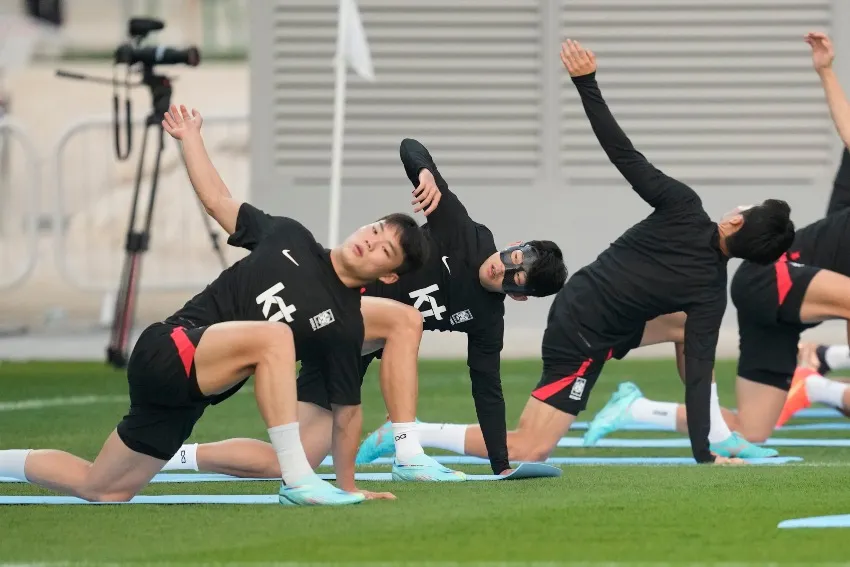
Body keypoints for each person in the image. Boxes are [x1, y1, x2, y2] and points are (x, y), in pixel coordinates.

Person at [356, 39, 795, 467]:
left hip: (610, 319)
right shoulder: (706, 281)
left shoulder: (694, 243)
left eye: (746, 209)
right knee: (530, 449)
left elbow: (622, 153)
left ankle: (716, 435)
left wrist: (587, 82)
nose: (504, 268)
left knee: (690, 332)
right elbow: (696, 377)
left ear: (735, 222)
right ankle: (404, 436)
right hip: (583, 330)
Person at [0, 104, 429, 506]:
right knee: (275, 337)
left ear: (387, 276)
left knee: (103, 488)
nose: (371, 240)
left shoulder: (346, 325)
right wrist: (190, 138)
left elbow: (347, 414)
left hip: (188, 397)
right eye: (375, 229)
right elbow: (219, 201)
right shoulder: (290, 236)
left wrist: (350, 487)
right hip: (169, 348)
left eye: (384, 249)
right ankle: (298, 481)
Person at [161, 137, 568, 480]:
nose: (505, 267)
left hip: (350, 343)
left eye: (517, 278)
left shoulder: (486, 318)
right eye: (515, 257)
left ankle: (170, 457)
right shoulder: (464, 232)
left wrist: (501, 466)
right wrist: (425, 172)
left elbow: (487, 389)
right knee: (405, 320)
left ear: (519, 295)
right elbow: (411, 147)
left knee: (293, 461)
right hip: (336, 305)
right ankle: (407, 450)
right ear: (514, 244)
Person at [583, 32, 850, 444]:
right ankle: (606, 321)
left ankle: (638, 408)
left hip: (771, 300)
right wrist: (826, 70)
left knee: (751, 431)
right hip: (770, 276)